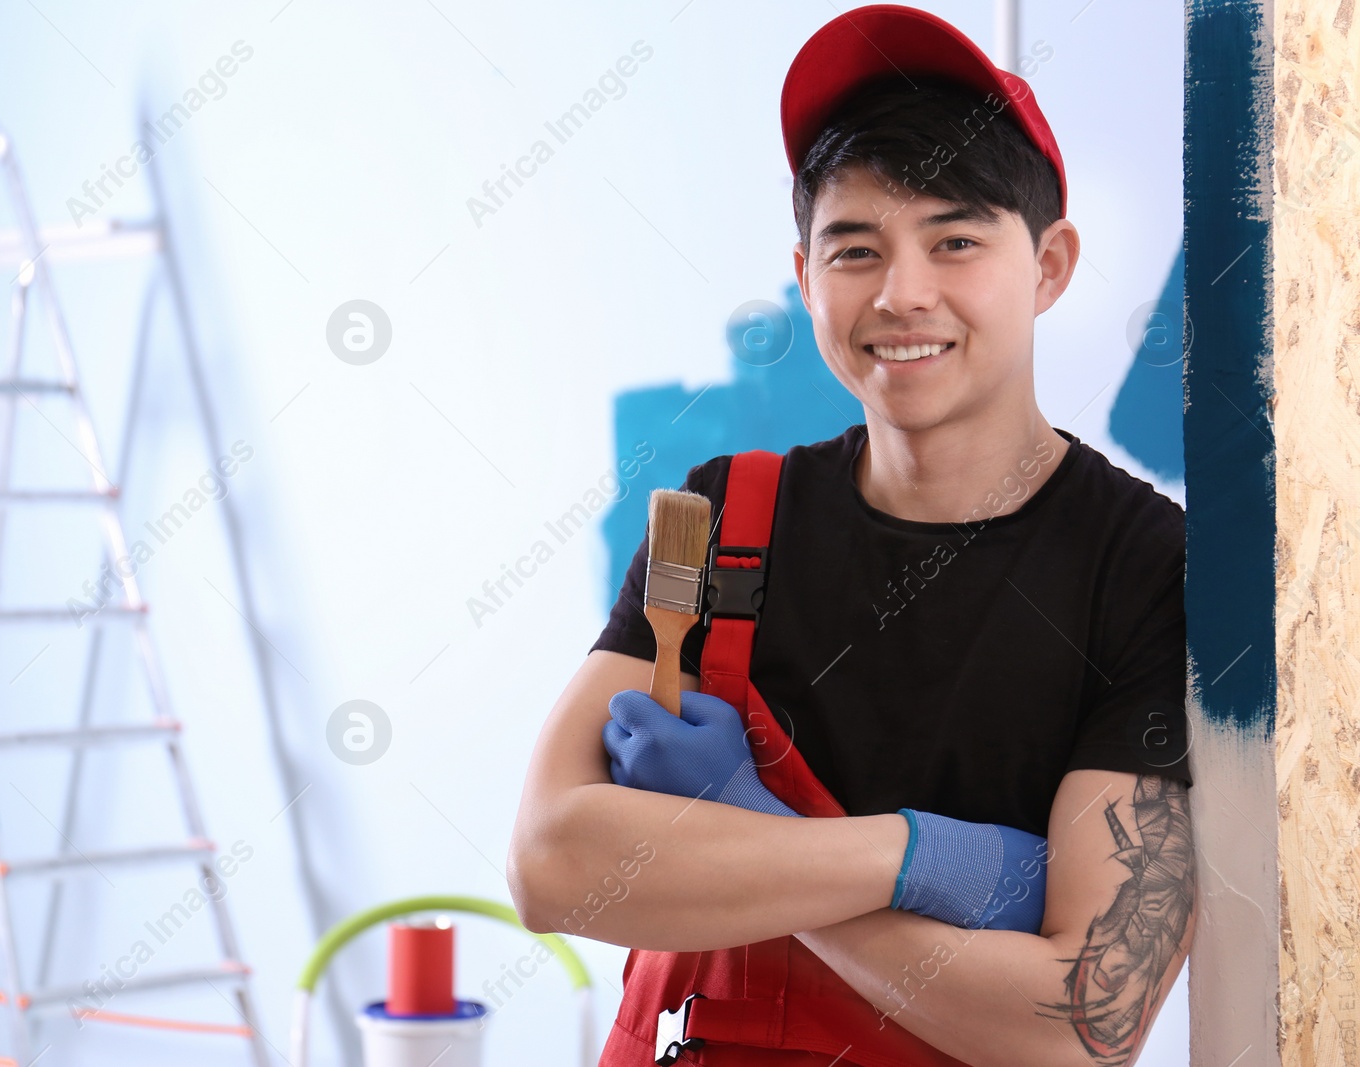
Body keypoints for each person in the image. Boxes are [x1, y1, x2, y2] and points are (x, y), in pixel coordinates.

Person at [507, 6, 1196, 1066]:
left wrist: (741, 834)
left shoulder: (1146, 568)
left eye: (955, 240)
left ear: (1051, 264)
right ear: (805, 278)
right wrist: (927, 860)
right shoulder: (724, 517)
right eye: (856, 250)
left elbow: (1080, 1023)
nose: (901, 294)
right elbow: (552, 867)